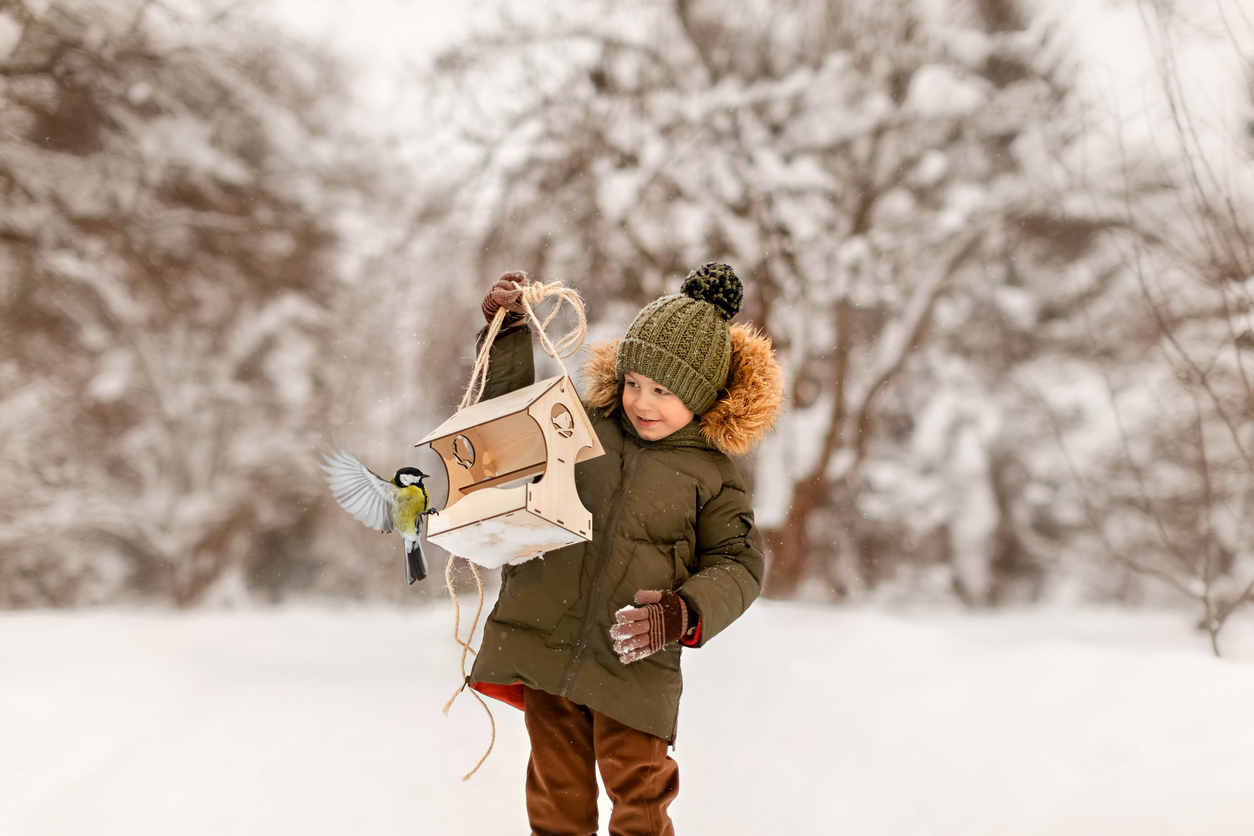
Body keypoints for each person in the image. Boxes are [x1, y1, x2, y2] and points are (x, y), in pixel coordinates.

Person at [468, 263, 783, 836]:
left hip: (633, 659)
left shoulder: (712, 476)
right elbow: (506, 434)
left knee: (640, 799)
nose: (643, 401)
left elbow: (739, 562)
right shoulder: (582, 425)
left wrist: (685, 611)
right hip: (546, 639)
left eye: (664, 391)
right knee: (557, 799)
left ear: (702, 398)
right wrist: (507, 335)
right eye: (634, 382)